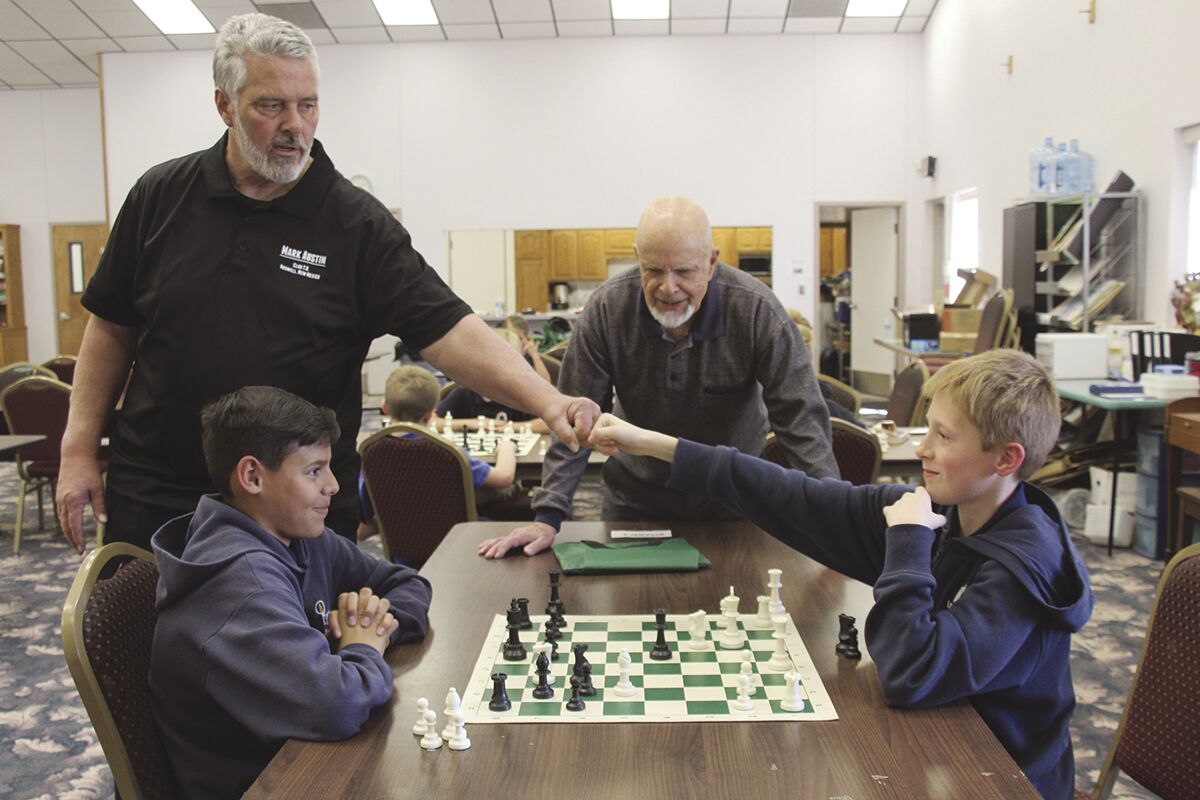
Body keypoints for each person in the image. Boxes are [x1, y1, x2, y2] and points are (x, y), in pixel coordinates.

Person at [57, 12, 598, 553]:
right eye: (272, 106)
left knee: (297, 639)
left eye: (308, 105)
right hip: (160, 493)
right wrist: (78, 449)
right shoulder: (160, 195)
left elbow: (448, 328)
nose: (295, 125)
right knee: (153, 637)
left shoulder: (355, 224)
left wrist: (548, 401)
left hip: (296, 510)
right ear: (224, 105)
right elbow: (110, 328)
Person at [586, 349, 1094, 800]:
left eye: (943, 436)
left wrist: (910, 545)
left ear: (1006, 459)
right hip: (939, 745)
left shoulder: (1022, 567)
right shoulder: (946, 510)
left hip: (1005, 775)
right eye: (927, 429)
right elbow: (801, 498)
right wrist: (657, 445)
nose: (922, 449)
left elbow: (913, 672)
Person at [479, 196, 838, 559]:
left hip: (734, 501)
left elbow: (801, 419)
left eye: (684, 271)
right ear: (637, 258)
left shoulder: (757, 311)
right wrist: (547, 516)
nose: (668, 288)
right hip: (635, 502)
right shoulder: (607, 310)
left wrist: (835, 516)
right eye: (653, 270)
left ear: (712, 262)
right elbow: (573, 415)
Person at [149, 386, 432, 799]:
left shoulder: (297, 534)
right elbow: (337, 704)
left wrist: (371, 628)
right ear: (252, 477)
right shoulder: (238, 584)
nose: (333, 486)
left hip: (298, 754)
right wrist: (364, 650)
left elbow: (406, 582)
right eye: (314, 470)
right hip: (263, 781)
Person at [358, 366, 521, 544]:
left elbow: (362, 523)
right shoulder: (445, 452)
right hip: (457, 545)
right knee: (507, 492)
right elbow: (504, 478)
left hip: (403, 552)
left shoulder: (370, 452)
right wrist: (506, 447)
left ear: (385, 408)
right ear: (431, 414)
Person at [435, 328, 551, 434]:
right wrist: (471, 423)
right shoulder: (465, 392)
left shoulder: (523, 394)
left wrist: (510, 427)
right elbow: (431, 421)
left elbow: (548, 424)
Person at [502, 315, 553, 383]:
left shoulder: (530, 356)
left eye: (520, 338)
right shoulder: (501, 356)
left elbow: (546, 384)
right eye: (513, 337)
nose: (519, 342)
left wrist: (535, 356)